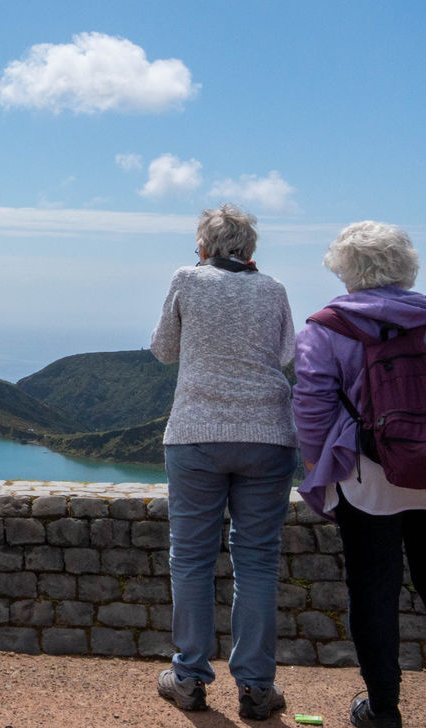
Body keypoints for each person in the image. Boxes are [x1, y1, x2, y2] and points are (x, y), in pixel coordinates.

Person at [295, 222, 426, 728]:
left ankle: (383, 713)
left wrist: (315, 468)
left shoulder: (327, 328)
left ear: (346, 270)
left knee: (373, 594)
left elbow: (310, 407)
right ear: (406, 266)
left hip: (368, 482)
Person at [148, 204, 297, 721]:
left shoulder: (187, 280)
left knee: (190, 558)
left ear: (204, 247)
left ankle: (188, 678)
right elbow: (284, 356)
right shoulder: (273, 288)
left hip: (196, 435)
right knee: (255, 559)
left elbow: (164, 349)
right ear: (250, 249)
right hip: (268, 436)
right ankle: (257, 688)